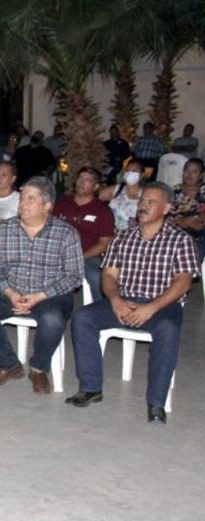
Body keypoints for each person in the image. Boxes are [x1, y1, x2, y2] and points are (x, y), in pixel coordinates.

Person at [67, 182, 199, 424]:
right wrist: (115, 300)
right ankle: (91, 387)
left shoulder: (180, 240)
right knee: (83, 317)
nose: (143, 206)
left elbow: (183, 283)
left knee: (168, 330)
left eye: (151, 202)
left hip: (162, 305)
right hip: (124, 300)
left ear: (167, 208)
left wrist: (151, 307)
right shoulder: (124, 237)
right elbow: (108, 275)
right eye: (142, 201)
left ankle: (156, 402)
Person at [0, 177, 84, 394]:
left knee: (52, 318)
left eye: (31, 199)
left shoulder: (66, 234)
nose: (23, 203)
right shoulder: (5, 230)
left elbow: (74, 276)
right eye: (22, 198)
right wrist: (10, 292)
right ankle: (8, 364)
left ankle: (38, 368)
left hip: (50, 296)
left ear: (47, 206)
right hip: (11, 290)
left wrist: (39, 296)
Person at [53, 167, 114, 301]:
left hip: (87, 256)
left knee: (96, 277)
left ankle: (100, 312)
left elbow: (104, 243)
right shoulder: (62, 204)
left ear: (96, 186)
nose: (82, 182)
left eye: (87, 180)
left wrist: (79, 257)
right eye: (80, 178)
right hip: (58, 254)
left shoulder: (102, 210)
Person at [169, 158, 205, 262]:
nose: (189, 174)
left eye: (194, 171)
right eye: (186, 170)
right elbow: (171, 215)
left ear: (201, 175)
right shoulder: (175, 190)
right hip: (179, 233)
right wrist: (190, 221)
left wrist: (194, 218)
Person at [99, 159, 143, 232]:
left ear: (141, 175)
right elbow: (95, 199)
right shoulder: (116, 190)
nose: (130, 173)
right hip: (110, 232)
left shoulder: (145, 194)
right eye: (128, 170)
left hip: (133, 235)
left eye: (134, 171)